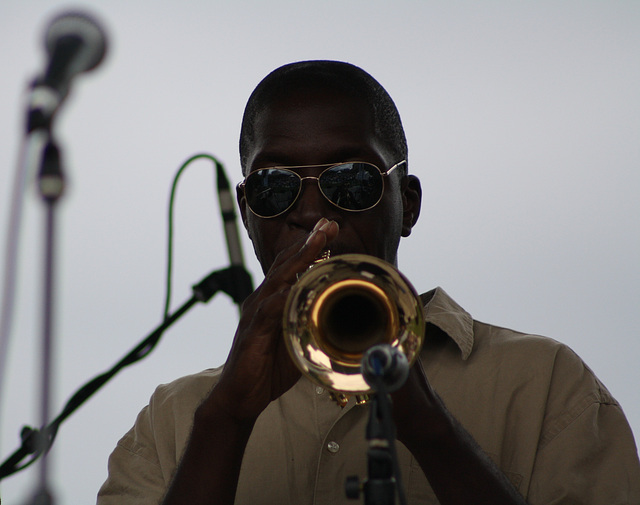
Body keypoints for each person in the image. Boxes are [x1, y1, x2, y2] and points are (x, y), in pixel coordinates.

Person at [97, 60, 640, 505]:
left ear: (408, 204)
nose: (314, 214)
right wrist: (226, 419)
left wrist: (427, 426)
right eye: (274, 187)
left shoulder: (546, 384)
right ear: (246, 212)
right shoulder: (174, 421)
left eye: (351, 181)